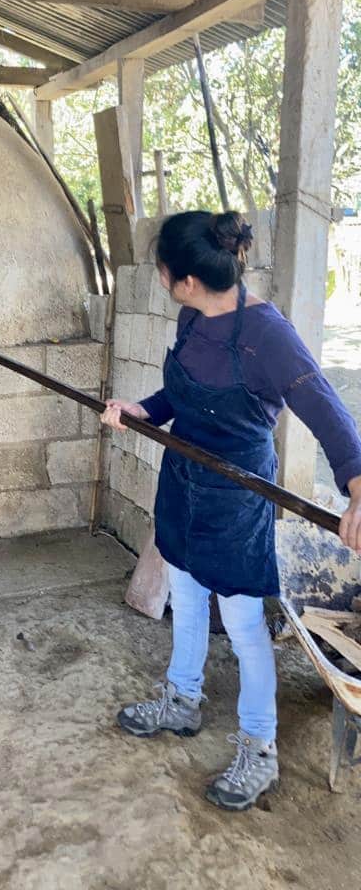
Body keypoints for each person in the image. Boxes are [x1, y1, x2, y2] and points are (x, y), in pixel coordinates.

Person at [100, 210, 361, 812]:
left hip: (238, 493)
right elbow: (180, 393)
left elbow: (326, 408)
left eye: (164, 272)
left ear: (185, 279)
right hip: (185, 479)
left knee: (244, 625)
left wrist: (357, 486)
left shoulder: (267, 335)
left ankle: (259, 747)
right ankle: (182, 700)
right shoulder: (194, 318)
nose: (164, 281)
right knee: (186, 599)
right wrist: (143, 410)